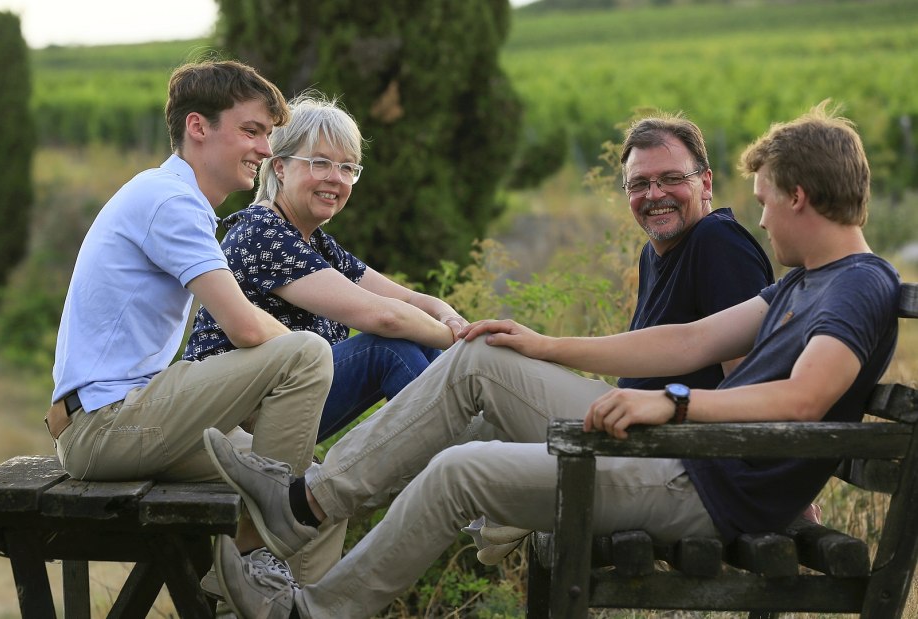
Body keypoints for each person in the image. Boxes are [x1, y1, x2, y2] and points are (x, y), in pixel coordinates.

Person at [203, 101, 900, 619]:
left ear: (799, 196)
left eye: (767, 202)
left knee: (459, 471)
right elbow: (688, 342)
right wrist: (538, 343)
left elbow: (807, 399)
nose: (765, 218)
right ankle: (307, 502)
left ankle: (313, 610)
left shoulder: (858, 285)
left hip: (702, 484)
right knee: (478, 360)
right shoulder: (806, 282)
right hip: (684, 454)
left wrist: (676, 402)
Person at [46, 60, 334, 586]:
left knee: (320, 490)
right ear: (198, 127)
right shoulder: (169, 200)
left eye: (268, 135)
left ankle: (281, 599)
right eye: (252, 131)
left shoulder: (179, 200)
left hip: (125, 417)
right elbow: (244, 327)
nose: (266, 151)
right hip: (104, 425)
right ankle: (249, 562)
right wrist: (294, 362)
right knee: (309, 352)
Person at [465, 112, 774, 563]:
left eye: (671, 178)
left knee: (480, 368)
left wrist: (774, 484)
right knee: (481, 417)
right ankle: (504, 509)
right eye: (639, 184)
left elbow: (747, 389)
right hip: (628, 431)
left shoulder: (718, 242)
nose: (655, 195)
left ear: (706, 182)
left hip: (668, 460)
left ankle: (338, 491)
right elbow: (651, 356)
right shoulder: (656, 253)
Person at [184, 93, 467, 444]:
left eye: (348, 167)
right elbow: (385, 318)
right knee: (388, 349)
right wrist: (462, 343)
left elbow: (408, 301)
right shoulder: (262, 233)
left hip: (278, 398)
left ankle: (463, 463)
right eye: (320, 163)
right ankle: (463, 465)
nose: (337, 178)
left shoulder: (317, 245)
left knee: (420, 345)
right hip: (234, 415)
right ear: (280, 167)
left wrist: (449, 316)